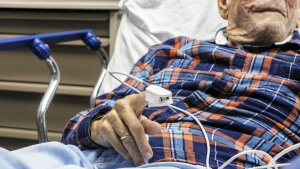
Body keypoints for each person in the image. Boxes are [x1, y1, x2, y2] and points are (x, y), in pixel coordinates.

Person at [0, 0, 299, 169]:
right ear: (224, 5)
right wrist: (100, 124)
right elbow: (75, 129)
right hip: (84, 160)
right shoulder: (170, 50)